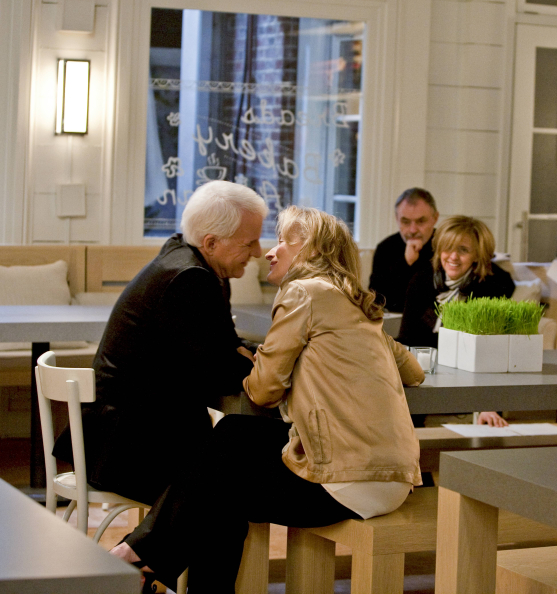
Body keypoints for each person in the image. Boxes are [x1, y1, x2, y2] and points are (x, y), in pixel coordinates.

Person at [111, 206, 425, 593]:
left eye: (282, 241)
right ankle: (143, 560)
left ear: (310, 250)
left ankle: (137, 556)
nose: (269, 252)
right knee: (229, 450)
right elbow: (415, 371)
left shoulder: (303, 292)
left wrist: (263, 360)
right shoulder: (356, 305)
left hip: (346, 479)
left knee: (220, 477)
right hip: (394, 479)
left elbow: (263, 390)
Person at [53, 180, 268, 507]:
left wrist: (246, 355)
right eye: (249, 242)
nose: (258, 252)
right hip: (130, 448)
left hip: (122, 434)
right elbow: (220, 373)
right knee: (238, 480)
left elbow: (225, 347)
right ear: (211, 243)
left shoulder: (188, 258)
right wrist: (254, 361)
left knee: (234, 467)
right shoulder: (191, 278)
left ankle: (155, 540)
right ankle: (149, 543)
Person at [398, 215, 515, 427]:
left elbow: (492, 355)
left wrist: (489, 405)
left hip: (469, 374)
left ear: (477, 255)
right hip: (424, 371)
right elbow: (407, 339)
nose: (453, 257)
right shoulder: (421, 281)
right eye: (448, 248)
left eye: (463, 250)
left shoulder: (492, 287)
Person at [369, 187, 439, 312]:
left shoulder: (446, 246)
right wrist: (406, 263)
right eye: (405, 222)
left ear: (435, 218)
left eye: (421, 221)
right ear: (397, 219)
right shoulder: (385, 248)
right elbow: (376, 300)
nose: (413, 230)